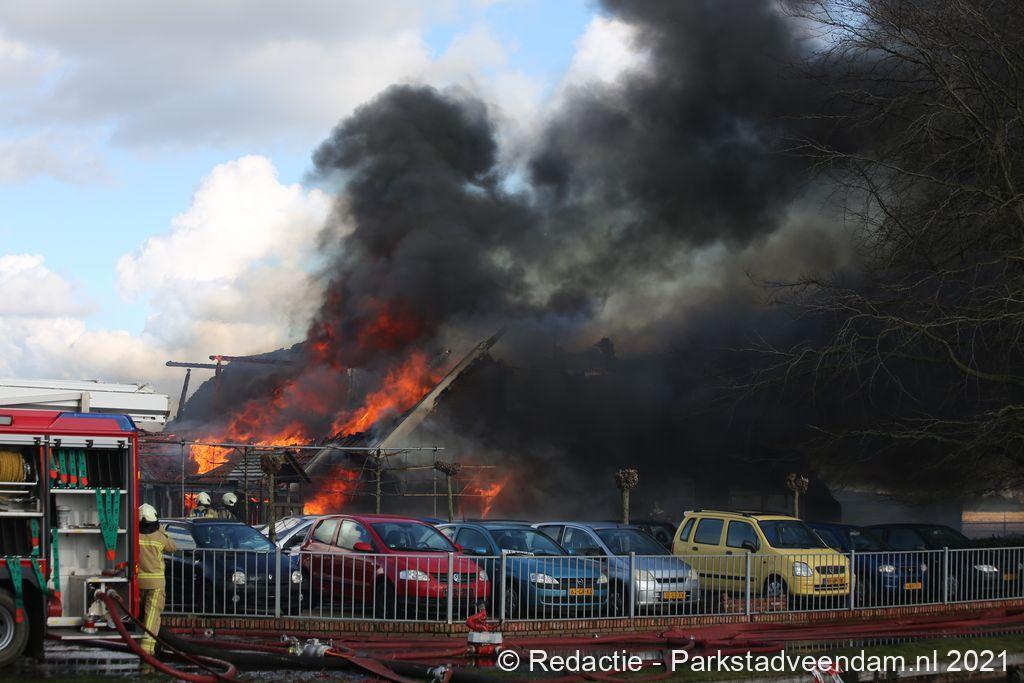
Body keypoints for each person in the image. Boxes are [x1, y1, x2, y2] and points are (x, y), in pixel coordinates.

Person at [137, 504, 176, 663]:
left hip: (138, 583)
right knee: (152, 617)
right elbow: (173, 547)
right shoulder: (159, 537)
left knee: (140, 615)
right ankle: (147, 651)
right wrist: (162, 530)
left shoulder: (134, 537)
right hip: (156, 584)